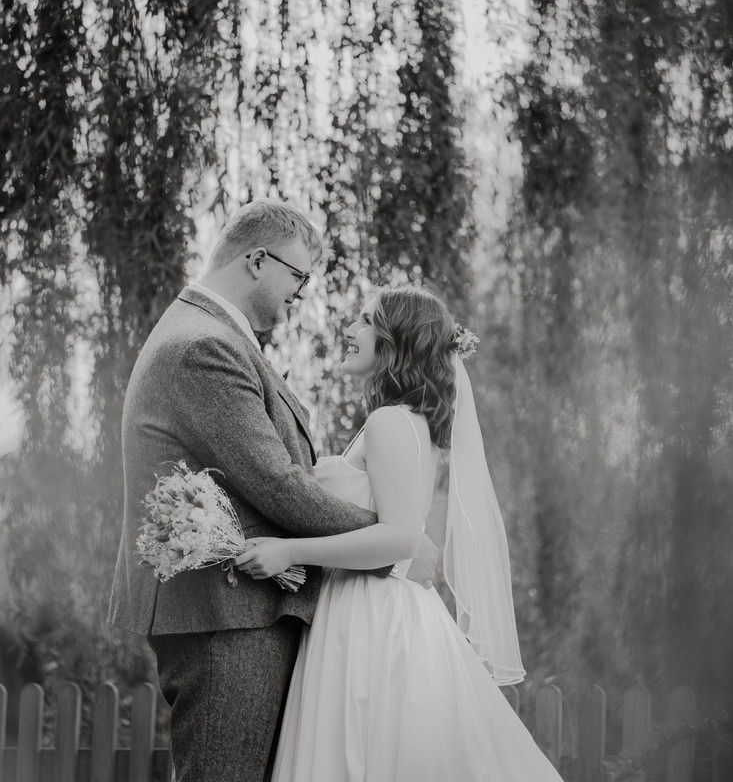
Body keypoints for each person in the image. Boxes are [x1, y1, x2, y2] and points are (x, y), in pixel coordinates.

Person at [107, 200, 437, 782]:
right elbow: (278, 484)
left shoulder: (208, 335)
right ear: (258, 260)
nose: (302, 293)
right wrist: (395, 540)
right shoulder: (202, 346)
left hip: (239, 612)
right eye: (299, 276)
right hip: (228, 617)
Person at [234, 285, 564, 781]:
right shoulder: (405, 422)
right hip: (366, 603)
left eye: (365, 321)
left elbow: (399, 540)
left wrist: (289, 551)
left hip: (372, 613)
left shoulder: (391, 422)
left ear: (395, 342)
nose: (349, 330)